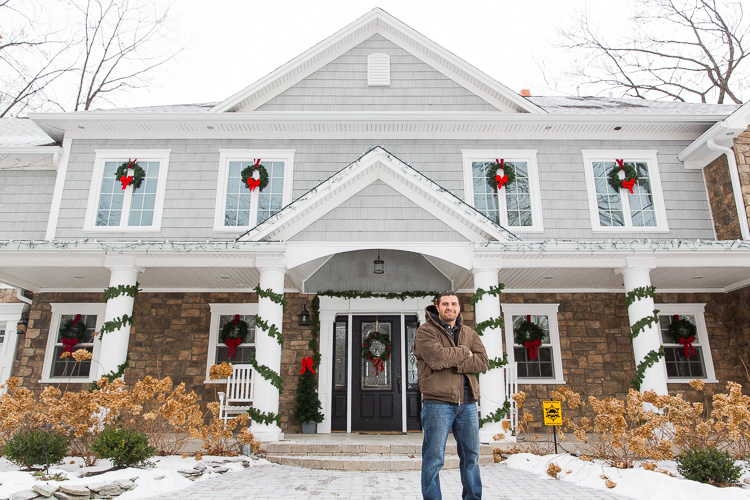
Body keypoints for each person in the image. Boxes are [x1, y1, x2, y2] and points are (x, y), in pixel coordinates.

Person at [413, 290, 488, 500]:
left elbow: (483, 362)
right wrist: (465, 352)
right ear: (437, 307)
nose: (450, 308)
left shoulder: (469, 333)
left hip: (468, 403)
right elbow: (437, 359)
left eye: (453, 304)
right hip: (437, 403)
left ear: (459, 307)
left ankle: (473, 497)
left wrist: (453, 362)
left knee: (471, 456)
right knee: (434, 458)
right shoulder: (425, 332)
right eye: (445, 304)